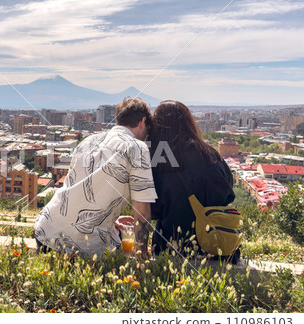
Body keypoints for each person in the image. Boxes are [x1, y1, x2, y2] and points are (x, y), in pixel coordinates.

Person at [34, 97, 158, 257]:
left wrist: (108, 219)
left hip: (45, 231)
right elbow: (142, 210)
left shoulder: (88, 141)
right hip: (82, 247)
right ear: (143, 122)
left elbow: (79, 190)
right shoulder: (137, 149)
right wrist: (141, 256)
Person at [148, 100, 235, 256]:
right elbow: (228, 193)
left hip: (170, 245)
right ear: (189, 123)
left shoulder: (159, 163)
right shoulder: (211, 154)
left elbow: (151, 210)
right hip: (216, 244)